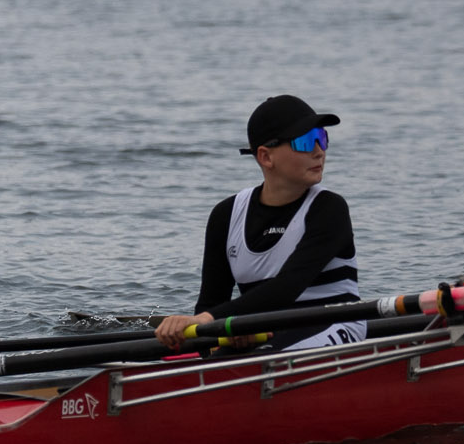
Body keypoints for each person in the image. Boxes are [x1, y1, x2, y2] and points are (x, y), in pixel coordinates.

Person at [157, 94, 371, 353]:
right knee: (217, 359)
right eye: (305, 142)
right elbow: (211, 303)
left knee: (265, 358)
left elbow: (286, 288)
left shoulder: (329, 209)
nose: (319, 151)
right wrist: (222, 333)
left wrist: (213, 321)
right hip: (267, 329)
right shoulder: (226, 215)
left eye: (322, 138)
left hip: (335, 323)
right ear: (265, 157)